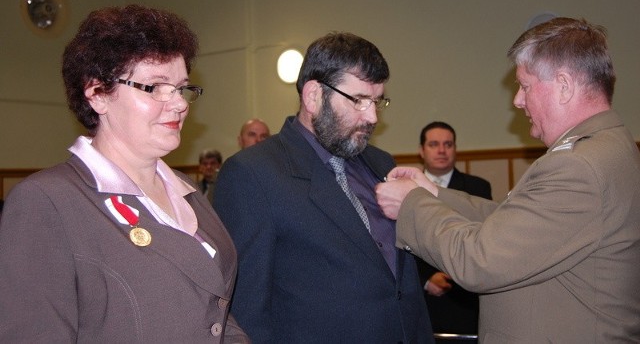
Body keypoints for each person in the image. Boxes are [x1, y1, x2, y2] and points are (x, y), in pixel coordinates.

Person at [376, 17, 640, 342]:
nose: (517, 100)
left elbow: (480, 260)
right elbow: (511, 224)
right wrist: (432, 192)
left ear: (564, 86)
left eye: (525, 85)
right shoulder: (607, 145)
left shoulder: (578, 167)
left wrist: (411, 203)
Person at [0, 5, 249, 343]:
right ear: (98, 93)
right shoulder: (47, 202)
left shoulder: (185, 189)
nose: (179, 103)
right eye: (156, 87)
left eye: (181, 87)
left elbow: (214, 310)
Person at [215, 32, 433, 343]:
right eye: (358, 100)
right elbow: (246, 308)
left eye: (377, 101)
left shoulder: (381, 163)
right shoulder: (252, 174)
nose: (372, 116)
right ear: (314, 96)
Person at [417, 121, 492, 338]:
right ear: (421, 150)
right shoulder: (406, 188)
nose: (441, 150)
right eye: (434, 144)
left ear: (455, 149)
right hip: (421, 300)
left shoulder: (478, 188)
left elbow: (482, 240)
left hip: (464, 297)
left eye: (448, 144)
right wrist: (426, 279)